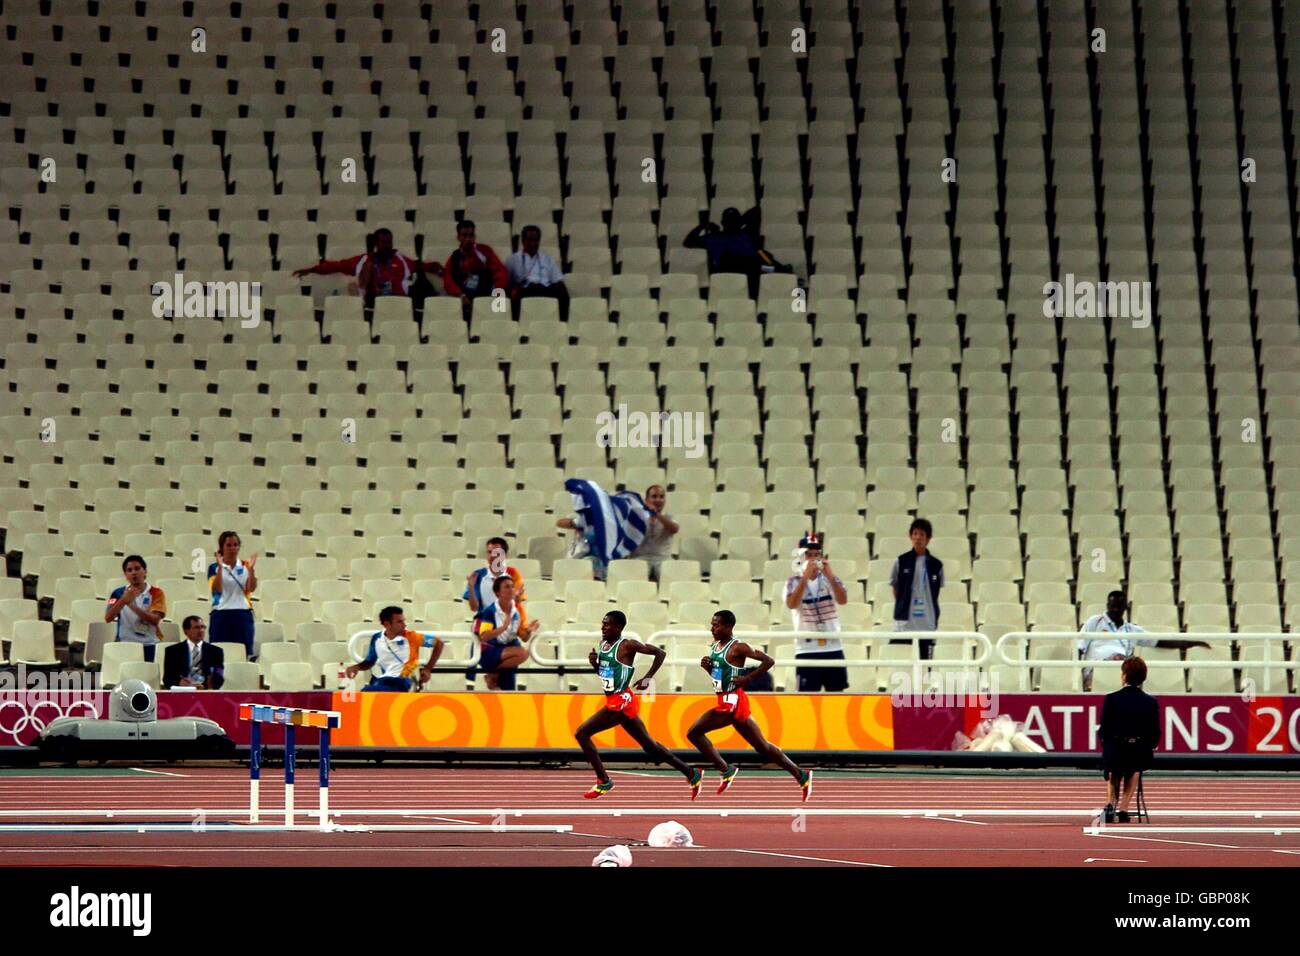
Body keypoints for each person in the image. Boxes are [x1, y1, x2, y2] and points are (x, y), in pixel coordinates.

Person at [685, 610, 813, 800]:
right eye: (712, 624)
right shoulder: (715, 646)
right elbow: (720, 678)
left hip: (731, 702)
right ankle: (801, 775)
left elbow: (768, 661)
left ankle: (725, 769)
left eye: (716, 625)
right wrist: (709, 669)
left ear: (728, 627)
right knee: (762, 747)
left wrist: (748, 678)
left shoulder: (739, 647)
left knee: (694, 733)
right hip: (727, 698)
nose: (712, 628)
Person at [576, 611, 703, 799]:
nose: (603, 628)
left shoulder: (628, 645)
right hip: (616, 700)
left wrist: (647, 677)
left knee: (582, 733)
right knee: (650, 746)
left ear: (618, 627)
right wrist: (595, 665)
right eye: (602, 624)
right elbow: (606, 676)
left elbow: (660, 653)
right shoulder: (603, 645)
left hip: (620, 702)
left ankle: (604, 780)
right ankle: (692, 773)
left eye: (607, 625)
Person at [1078, 591, 1211, 692]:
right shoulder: (1095, 622)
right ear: (1107, 605)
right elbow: (1079, 648)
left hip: (1122, 673)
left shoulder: (1131, 629)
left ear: (1126, 607)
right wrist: (1076, 676)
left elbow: (1160, 641)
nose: (1115, 610)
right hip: (1097, 672)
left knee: (1135, 669)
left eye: (1119, 606)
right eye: (1112, 606)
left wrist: (1191, 643)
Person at [292, 227, 443, 304]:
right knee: (368, 267)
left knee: (421, 279)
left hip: (400, 301)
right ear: (376, 243)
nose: (387, 246)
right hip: (374, 299)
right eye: (383, 242)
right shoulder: (364, 259)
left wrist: (436, 267)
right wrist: (312, 270)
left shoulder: (400, 259)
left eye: (389, 242)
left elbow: (421, 266)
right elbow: (336, 266)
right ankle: (358, 292)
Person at [783, 532, 850, 692]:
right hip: (806, 650)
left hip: (833, 648)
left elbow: (842, 600)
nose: (813, 559)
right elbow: (792, 604)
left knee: (837, 700)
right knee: (807, 700)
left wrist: (830, 576)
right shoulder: (792, 582)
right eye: (808, 555)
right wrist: (805, 578)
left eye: (816, 555)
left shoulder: (831, 579)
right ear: (800, 557)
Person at [1099, 656, 1160, 823]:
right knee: (1135, 769)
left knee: (1113, 766)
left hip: (1115, 751)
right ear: (1143, 677)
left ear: (1124, 675)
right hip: (1139, 752)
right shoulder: (1150, 702)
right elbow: (1155, 732)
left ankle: (1110, 803)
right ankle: (1124, 808)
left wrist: (1107, 744)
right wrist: (1150, 746)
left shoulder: (1111, 699)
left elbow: (1104, 729)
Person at [345, 605, 444, 692]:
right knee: (368, 691)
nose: (404, 625)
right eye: (399, 622)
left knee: (368, 691)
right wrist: (356, 667)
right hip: (385, 681)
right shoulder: (377, 638)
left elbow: (439, 643)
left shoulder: (412, 637)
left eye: (404, 621)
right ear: (387, 624)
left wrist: (428, 669)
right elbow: (369, 662)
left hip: (404, 680)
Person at [469, 575, 540, 690]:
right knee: (522, 653)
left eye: (512, 586)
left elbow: (524, 638)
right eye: (507, 587)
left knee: (509, 689)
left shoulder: (516, 612)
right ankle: (494, 674)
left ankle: (494, 676)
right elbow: (484, 636)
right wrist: (503, 627)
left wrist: (529, 630)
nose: (511, 589)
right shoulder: (490, 612)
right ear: (498, 593)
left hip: (507, 655)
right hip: (488, 651)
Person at [889, 517, 944, 660]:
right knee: (900, 664)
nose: (918, 537)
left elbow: (936, 592)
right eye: (915, 533)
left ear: (928, 538)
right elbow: (896, 588)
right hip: (904, 623)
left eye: (922, 534)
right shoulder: (900, 561)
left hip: (927, 622)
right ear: (910, 536)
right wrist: (904, 604)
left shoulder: (936, 565)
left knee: (924, 666)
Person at [683, 206, 763, 295]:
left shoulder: (746, 235)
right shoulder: (714, 237)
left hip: (751, 271)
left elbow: (756, 211)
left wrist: (741, 221)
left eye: (734, 221)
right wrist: (703, 226)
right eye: (729, 222)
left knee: (766, 265)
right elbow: (688, 242)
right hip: (724, 274)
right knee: (730, 257)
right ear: (723, 223)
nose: (732, 224)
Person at [104, 554, 167, 663]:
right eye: (129, 570)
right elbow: (108, 618)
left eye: (137, 568)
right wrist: (123, 600)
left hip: (150, 643)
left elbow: (155, 619)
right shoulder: (117, 593)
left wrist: (130, 605)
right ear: (125, 575)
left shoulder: (157, 592)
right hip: (125, 643)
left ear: (145, 571)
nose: (134, 572)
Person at [442, 219, 508, 318]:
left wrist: (497, 292)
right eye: (464, 235)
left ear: (474, 236)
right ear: (458, 237)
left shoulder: (485, 251)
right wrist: (461, 296)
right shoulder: (454, 257)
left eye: (471, 235)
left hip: (486, 295)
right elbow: (448, 280)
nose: (468, 239)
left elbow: (501, 273)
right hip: (464, 298)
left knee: (501, 304)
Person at [208, 531, 258, 660]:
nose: (232, 548)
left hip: (242, 614)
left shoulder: (246, 565)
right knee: (218, 654)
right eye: (229, 545)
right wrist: (220, 568)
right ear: (222, 547)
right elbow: (216, 589)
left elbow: (250, 588)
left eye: (236, 545)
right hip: (221, 613)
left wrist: (251, 570)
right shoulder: (213, 567)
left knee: (243, 652)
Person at [505, 224, 569, 320]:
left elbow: (558, 281)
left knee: (562, 291)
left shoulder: (547, 259)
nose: (533, 244)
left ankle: (563, 323)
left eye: (536, 240)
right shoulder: (512, 259)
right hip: (525, 291)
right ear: (523, 241)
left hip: (545, 290)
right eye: (530, 240)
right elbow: (506, 282)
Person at [463, 537, 527, 614]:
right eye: (489, 552)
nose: (492, 556)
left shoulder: (513, 573)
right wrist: (471, 588)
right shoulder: (478, 575)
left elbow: (516, 603)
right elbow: (474, 608)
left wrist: (516, 599)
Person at [628, 485, 679, 582]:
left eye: (661, 497)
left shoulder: (669, 516)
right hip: (640, 558)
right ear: (647, 500)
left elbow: (675, 529)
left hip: (664, 559)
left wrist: (657, 515)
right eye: (654, 496)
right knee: (635, 582)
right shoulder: (638, 516)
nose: (658, 500)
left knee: (673, 580)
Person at [162, 616, 224, 689]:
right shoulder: (173, 651)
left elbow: (219, 675)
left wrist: (207, 686)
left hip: (205, 691)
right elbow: (167, 678)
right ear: (186, 631)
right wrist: (179, 683)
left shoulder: (216, 651)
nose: (201, 630)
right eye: (196, 627)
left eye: (203, 627)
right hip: (182, 691)